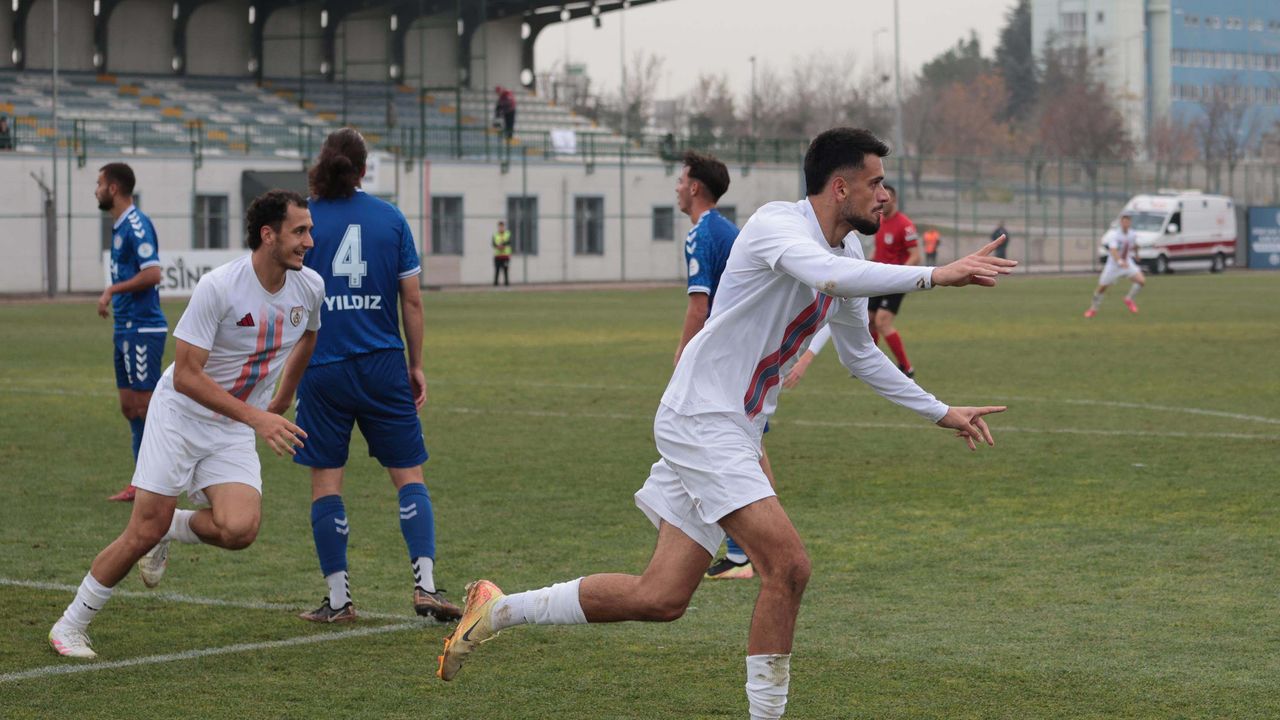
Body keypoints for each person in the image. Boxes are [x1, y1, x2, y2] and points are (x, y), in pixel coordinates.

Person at [435, 127, 1016, 720]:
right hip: (702, 418)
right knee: (788, 566)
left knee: (661, 596)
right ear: (840, 188)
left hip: (731, 428)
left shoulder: (850, 255)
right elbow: (825, 277)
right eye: (876, 183)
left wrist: (942, 411)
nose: (885, 195)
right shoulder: (777, 225)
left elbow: (860, 354)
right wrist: (935, 274)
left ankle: (497, 610)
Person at [49, 190, 325, 659]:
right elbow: (186, 376)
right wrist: (257, 416)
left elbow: (309, 336)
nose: (309, 241)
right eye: (300, 231)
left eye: (309, 230)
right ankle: (69, 625)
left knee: (240, 529)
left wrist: (281, 399)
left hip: (233, 425)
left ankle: (171, 527)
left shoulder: (310, 287)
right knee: (142, 530)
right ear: (268, 235)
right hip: (179, 414)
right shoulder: (219, 286)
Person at [271, 129, 462, 624]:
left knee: (326, 482)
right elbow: (412, 300)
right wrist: (415, 364)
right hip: (382, 363)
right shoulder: (390, 218)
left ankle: (339, 601)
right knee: (408, 476)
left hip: (323, 365)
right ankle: (425, 586)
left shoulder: (304, 222)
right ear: (362, 169)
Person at [673, 149, 772, 581]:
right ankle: (751, 551)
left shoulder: (703, 234)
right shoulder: (727, 230)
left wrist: (682, 359)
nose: (677, 187)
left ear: (695, 187)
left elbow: (700, 306)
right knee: (749, 445)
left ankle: (750, 551)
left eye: (681, 180)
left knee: (722, 443)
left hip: (727, 361)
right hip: (750, 352)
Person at [96, 163, 168, 502]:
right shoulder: (120, 225)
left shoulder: (137, 224)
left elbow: (153, 274)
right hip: (124, 326)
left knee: (146, 406)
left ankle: (159, 482)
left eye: (99, 184)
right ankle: (140, 482)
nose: (96, 190)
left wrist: (112, 290)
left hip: (143, 326)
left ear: (113, 188)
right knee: (129, 406)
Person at [867, 183, 919, 378]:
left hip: (895, 281)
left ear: (894, 200)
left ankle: (906, 367)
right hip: (877, 278)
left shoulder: (905, 225)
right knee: (868, 320)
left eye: (886, 198)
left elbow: (916, 256)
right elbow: (879, 250)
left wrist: (900, 275)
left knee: (882, 321)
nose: (882, 201)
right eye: (880, 197)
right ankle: (870, 365)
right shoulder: (878, 221)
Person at [1084, 212, 1145, 318]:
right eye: (1124, 221)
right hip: (1113, 265)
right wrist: (1120, 262)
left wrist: (1137, 255)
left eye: (1128, 221)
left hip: (1127, 262)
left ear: (1130, 223)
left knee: (1141, 281)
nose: (1126, 223)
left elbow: (1135, 245)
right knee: (1102, 288)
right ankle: (1093, 309)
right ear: (1121, 223)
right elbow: (1113, 250)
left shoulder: (1132, 234)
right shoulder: (1115, 235)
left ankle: (1129, 299)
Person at [492, 220, 512, 287]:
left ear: (504, 227)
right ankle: (495, 284)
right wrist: (498, 246)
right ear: (498, 227)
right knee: (497, 270)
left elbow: (509, 242)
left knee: (505, 270)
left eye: (502, 226)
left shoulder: (507, 234)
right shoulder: (495, 235)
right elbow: (493, 244)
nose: (501, 228)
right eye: (500, 227)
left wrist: (502, 245)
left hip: (505, 256)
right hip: (497, 256)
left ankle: (506, 284)